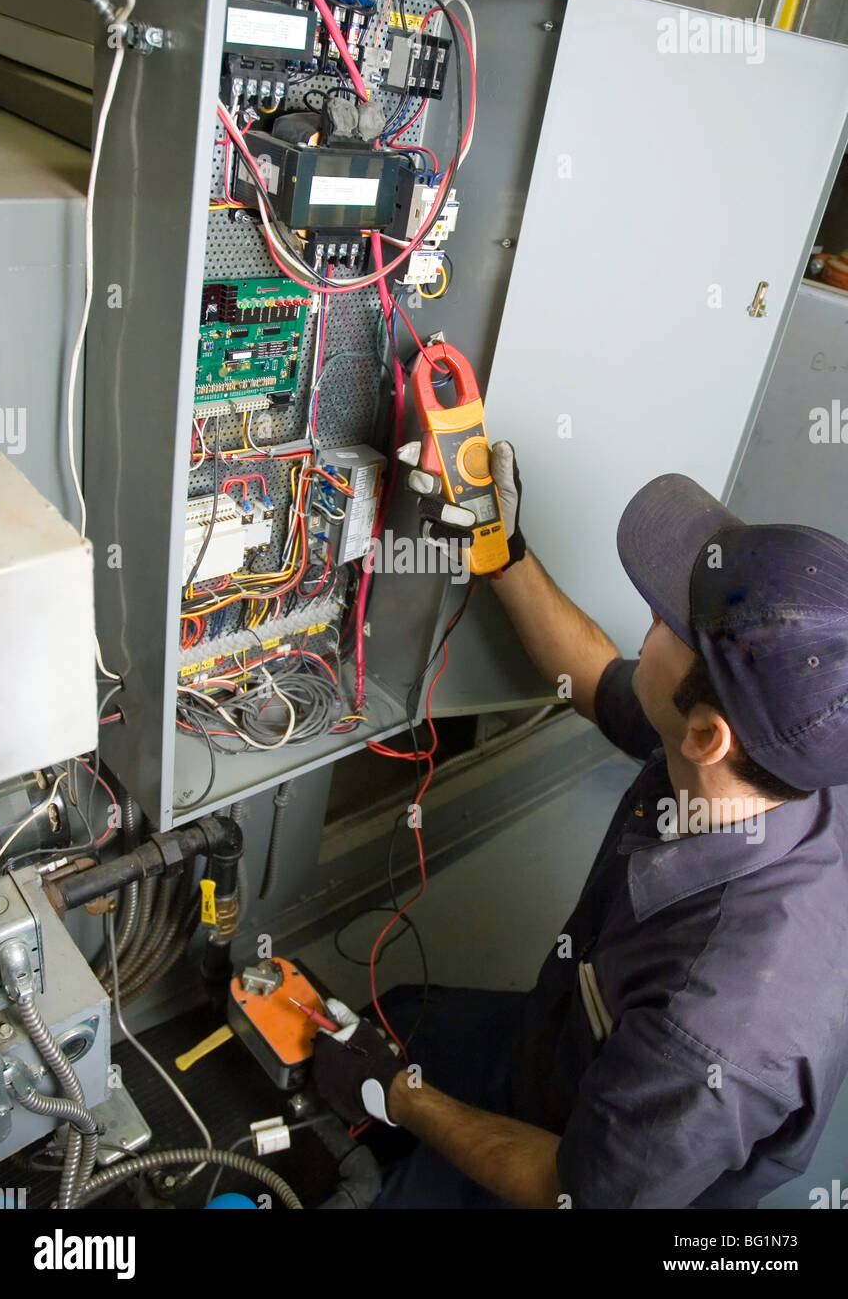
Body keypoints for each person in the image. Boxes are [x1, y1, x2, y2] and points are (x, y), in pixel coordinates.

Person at [312, 444, 848, 1209]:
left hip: (591, 1168)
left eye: (667, 622)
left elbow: (573, 1190)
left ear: (707, 737)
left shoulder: (720, 1026)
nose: (649, 623)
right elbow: (597, 681)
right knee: (391, 1013)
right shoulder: (769, 762)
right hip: (556, 1041)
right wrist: (501, 553)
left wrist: (401, 1097)